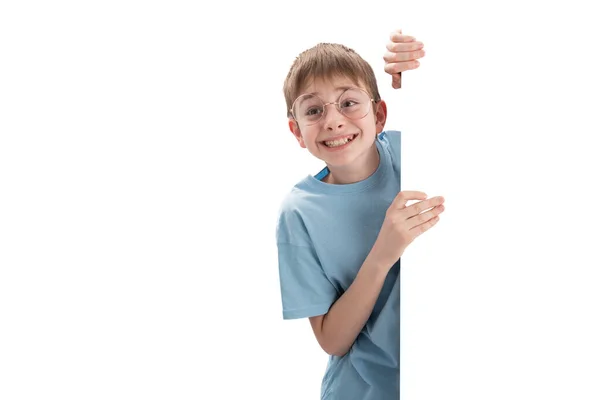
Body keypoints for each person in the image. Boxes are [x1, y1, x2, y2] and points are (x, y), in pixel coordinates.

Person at [275, 29, 446, 400]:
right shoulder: (299, 212)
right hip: (365, 390)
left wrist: (420, 73)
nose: (333, 121)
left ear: (379, 114)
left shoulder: (413, 151)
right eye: (314, 110)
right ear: (297, 132)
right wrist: (383, 254)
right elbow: (333, 341)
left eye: (349, 102)